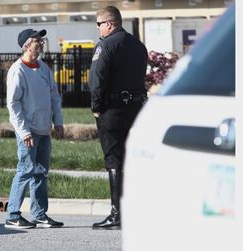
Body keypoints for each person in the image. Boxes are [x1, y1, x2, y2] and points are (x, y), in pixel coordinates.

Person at [89, 6, 148, 230]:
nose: (98, 29)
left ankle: (117, 214)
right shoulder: (138, 45)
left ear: (109, 24)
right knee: (132, 160)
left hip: (112, 110)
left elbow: (97, 79)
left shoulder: (106, 45)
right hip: (136, 109)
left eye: (99, 24)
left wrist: (96, 107)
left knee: (114, 160)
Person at [4, 28, 65, 229]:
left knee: (41, 172)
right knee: (25, 170)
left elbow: (54, 97)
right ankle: (13, 215)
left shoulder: (44, 69)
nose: (41, 43)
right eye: (37, 40)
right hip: (28, 131)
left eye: (42, 40)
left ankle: (39, 214)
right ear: (26, 45)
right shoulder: (18, 70)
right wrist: (24, 132)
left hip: (44, 130)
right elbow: (13, 105)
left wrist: (58, 122)